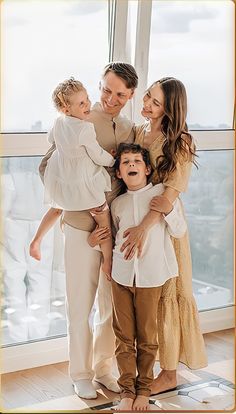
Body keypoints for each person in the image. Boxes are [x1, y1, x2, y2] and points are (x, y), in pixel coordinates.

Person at [37, 62, 138, 399]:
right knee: (79, 306)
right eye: (106, 90)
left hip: (115, 230)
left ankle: (103, 368)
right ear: (99, 86)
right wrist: (79, 209)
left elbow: (129, 173)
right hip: (80, 228)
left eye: (120, 94)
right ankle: (79, 373)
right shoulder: (77, 121)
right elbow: (49, 167)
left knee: (110, 307)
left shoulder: (127, 128)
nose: (111, 98)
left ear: (130, 95)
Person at [121, 77, 208, 394]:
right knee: (146, 296)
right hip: (139, 220)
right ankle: (146, 367)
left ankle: (169, 372)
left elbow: (167, 196)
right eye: (147, 97)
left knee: (168, 294)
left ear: (170, 108)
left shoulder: (180, 141)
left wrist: (144, 227)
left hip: (165, 225)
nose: (146, 104)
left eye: (155, 102)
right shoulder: (140, 131)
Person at [110, 143, 187, 411]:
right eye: (125, 162)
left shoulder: (159, 195)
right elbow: (115, 235)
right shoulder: (117, 203)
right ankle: (127, 391)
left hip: (151, 278)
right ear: (119, 173)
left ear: (147, 168)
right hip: (120, 275)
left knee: (146, 337)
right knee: (123, 337)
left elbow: (178, 231)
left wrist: (167, 209)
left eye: (136, 161)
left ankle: (144, 389)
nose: (131, 165)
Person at [30, 77, 115, 277]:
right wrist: (112, 160)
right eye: (81, 103)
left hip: (63, 179)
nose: (87, 105)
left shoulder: (58, 122)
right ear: (66, 109)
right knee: (103, 215)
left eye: (87, 100)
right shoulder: (86, 129)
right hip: (85, 183)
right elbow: (97, 154)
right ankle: (108, 261)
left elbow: (50, 138)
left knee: (56, 208)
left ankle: (36, 240)